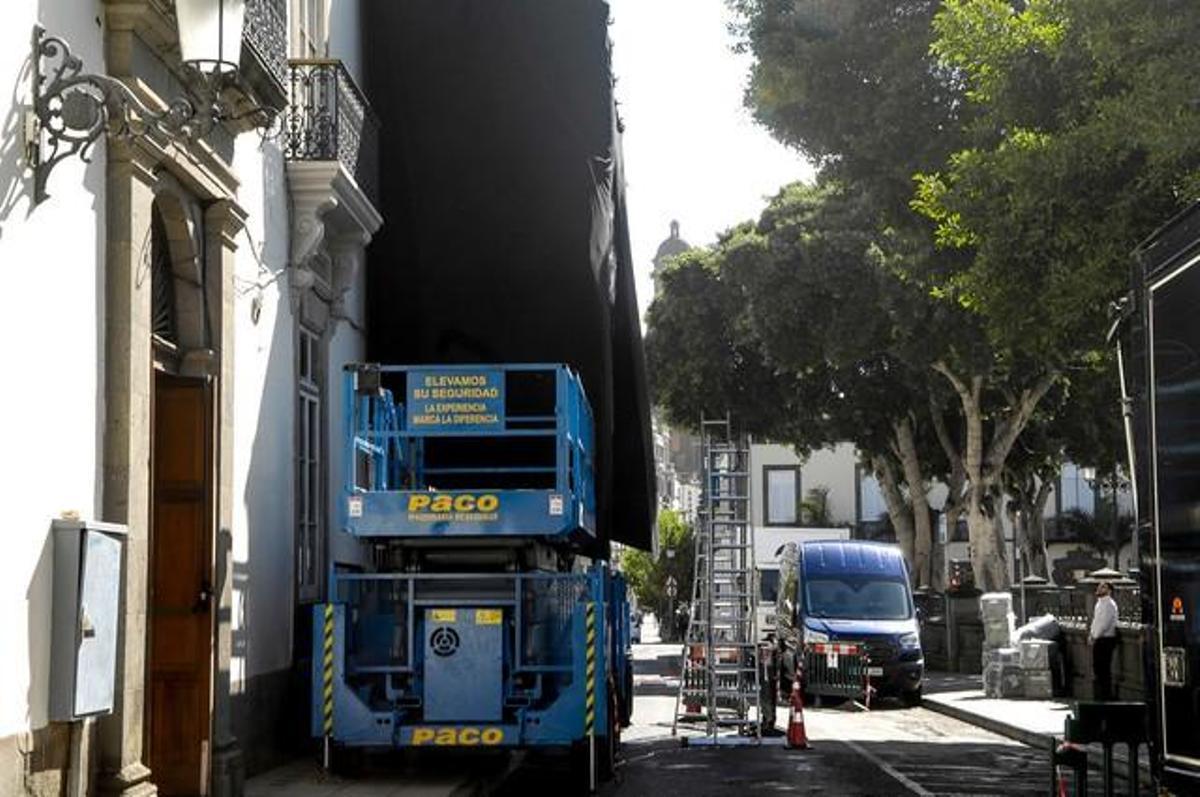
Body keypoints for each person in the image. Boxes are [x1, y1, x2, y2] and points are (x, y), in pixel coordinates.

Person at [1089, 581, 1119, 700]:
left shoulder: (1109, 604)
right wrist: (1091, 634)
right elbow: (1095, 621)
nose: (1100, 589)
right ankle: (1100, 694)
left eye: (1103, 587)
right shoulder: (1099, 604)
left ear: (1109, 591)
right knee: (1097, 667)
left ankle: (1106, 695)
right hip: (1098, 638)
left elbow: (1104, 624)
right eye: (1099, 587)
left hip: (1106, 639)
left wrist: (1095, 635)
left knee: (1104, 668)